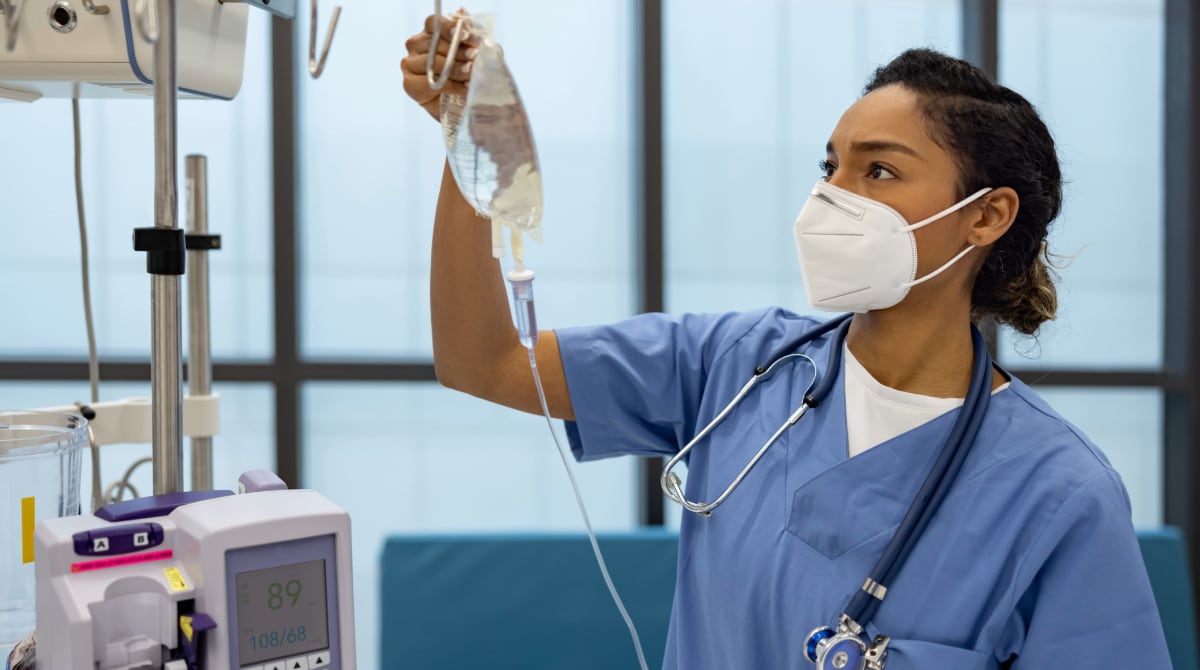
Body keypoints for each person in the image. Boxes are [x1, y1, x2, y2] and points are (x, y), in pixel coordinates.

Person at [402, 15, 1172, 669]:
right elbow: (484, 361)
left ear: (985, 216)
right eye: (830, 166)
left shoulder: (1057, 495)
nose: (835, 195)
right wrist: (465, 135)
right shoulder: (735, 365)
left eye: (878, 170)